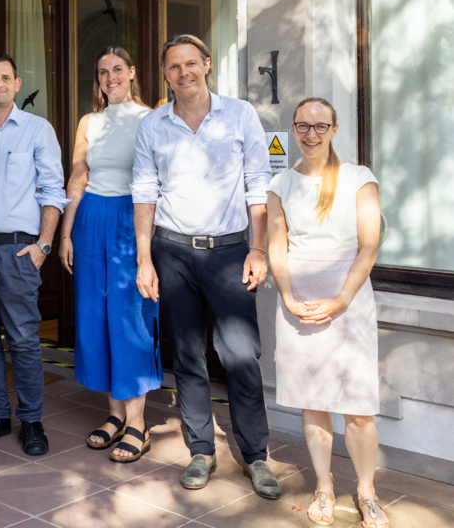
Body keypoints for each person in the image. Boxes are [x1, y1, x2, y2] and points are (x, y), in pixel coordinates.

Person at [131, 34, 281, 498]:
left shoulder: (240, 115)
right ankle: (201, 450)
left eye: (190, 64)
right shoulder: (153, 126)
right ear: (165, 74)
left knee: (240, 355)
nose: (183, 73)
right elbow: (144, 193)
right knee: (189, 355)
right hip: (172, 251)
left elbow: (260, 184)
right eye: (173, 67)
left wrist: (259, 250)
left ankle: (256, 456)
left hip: (231, 252)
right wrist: (145, 260)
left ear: (207, 65)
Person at [267, 98, 388, 528]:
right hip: (298, 301)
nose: (311, 135)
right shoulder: (280, 183)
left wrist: (340, 300)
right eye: (302, 126)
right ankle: (323, 487)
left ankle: (366, 491)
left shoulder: (359, 178)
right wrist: (287, 297)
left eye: (320, 127)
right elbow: (276, 246)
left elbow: (369, 246)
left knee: (357, 406)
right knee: (313, 402)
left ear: (335, 130)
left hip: (349, 299)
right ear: (294, 130)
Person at [0, 53, 69, 456]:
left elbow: (54, 192)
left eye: (6, 78)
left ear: (17, 84)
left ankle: (32, 421)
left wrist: (43, 246)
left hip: (18, 252)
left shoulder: (38, 130)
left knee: (23, 340)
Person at [58, 46, 159, 463]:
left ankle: (137, 422)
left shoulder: (152, 118)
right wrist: (65, 234)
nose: (111, 77)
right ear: (97, 79)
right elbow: (78, 178)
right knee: (95, 317)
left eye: (118, 69)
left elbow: (156, 180)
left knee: (130, 316)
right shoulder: (89, 121)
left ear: (132, 73)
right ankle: (114, 415)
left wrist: (146, 248)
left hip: (129, 217)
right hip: (90, 220)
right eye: (103, 71)